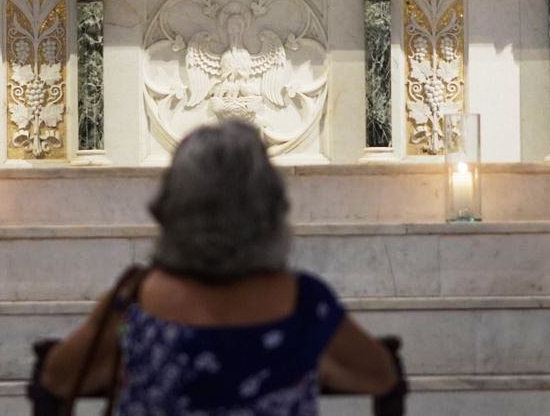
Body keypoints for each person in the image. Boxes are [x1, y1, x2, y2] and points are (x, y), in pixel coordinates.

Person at [40, 121, 400, 412]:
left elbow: (56, 379)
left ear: (172, 205)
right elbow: (381, 376)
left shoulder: (134, 302)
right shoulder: (305, 304)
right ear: (270, 207)